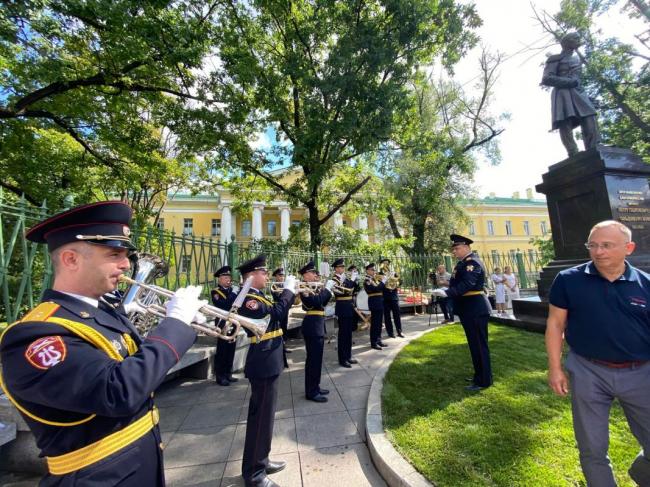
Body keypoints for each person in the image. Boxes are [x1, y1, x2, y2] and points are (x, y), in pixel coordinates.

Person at [0, 201, 206, 486]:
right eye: (114, 254)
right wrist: (176, 324)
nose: (126, 264)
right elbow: (118, 390)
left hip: (138, 464)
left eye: (126, 255)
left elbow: (137, 366)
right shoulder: (37, 335)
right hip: (95, 477)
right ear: (71, 259)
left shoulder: (102, 312)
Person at [545, 220, 650, 487]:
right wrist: (555, 368)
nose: (598, 252)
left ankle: (642, 472)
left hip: (641, 373)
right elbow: (555, 324)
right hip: (588, 370)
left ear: (629, 248)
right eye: (593, 245)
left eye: (606, 245)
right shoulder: (568, 280)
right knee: (592, 448)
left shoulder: (646, 284)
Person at [236, 254, 297, 487]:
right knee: (260, 419)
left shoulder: (259, 295)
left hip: (269, 359)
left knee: (266, 417)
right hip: (262, 361)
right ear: (251, 275)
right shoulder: (248, 298)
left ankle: (262, 459)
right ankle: (254, 474)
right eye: (263, 272)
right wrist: (288, 292)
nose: (267, 275)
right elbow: (275, 316)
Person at [432, 234, 492, 391]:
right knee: (474, 345)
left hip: (475, 308)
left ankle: (484, 380)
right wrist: (446, 289)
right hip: (469, 308)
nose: (455, 252)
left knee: (479, 345)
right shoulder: (462, 264)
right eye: (453, 249)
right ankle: (479, 375)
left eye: (457, 248)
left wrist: (447, 293)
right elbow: (455, 283)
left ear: (466, 247)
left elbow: (468, 284)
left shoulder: (472, 263)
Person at [541, 31, 600, 157]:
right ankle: (572, 151)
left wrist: (587, 97)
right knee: (565, 122)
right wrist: (568, 82)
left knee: (590, 116)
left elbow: (577, 80)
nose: (579, 40)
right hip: (562, 93)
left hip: (579, 92)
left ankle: (594, 147)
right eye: (575, 38)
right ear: (567, 42)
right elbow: (546, 78)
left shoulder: (576, 59)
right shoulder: (555, 59)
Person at [298, 261, 335, 401]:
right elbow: (315, 302)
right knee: (313, 361)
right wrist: (327, 290)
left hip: (317, 325)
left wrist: (326, 291)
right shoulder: (303, 287)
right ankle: (311, 392)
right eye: (312, 273)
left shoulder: (313, 286)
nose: (315, 275)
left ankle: (316, 387)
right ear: (305, 275)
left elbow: (322, 303)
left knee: (317, 360)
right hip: (312, 326)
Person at [211, 265, 239, 386]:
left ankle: (228, 373)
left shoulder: (231, 290)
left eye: (229, 276)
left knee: (231, 349)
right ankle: (220, 376)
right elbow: (224, 305)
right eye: (226, 277)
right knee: (222, 350)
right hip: (222, 323)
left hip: (233, 322)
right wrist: (233, 294)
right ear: (220, 279)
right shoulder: (216, 292)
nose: (228, 279)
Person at [331, 258, 359, 368]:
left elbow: (353, 288)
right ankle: (342, 359)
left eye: (343, 267)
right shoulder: (334, 280)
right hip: (342, 308)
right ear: (336, 268)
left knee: (348, 334)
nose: (343, 269)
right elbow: (344, 291)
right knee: (343, 335)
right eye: (341, 267)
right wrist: (351, 280)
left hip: (349, 307)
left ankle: (348, 356)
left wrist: (354, 280)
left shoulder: (344, 278)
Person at [364, 263, 388, 351]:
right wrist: (383, 282)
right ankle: (373, 342)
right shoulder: (367, 280)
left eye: (374, 270)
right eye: (372, 270)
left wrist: (385, 282)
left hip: (379, 301)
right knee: (374, 324)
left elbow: (382, 288)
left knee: (379, 323)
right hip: (374, 302)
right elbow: (376, 289)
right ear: (367, 271)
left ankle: (378, 340)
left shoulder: (374, 279)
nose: (374, 271)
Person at [270, 267, 290, 368]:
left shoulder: (284, 285)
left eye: (283, 275)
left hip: (285, 309)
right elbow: (278, 297)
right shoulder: (274, 285)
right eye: (280, 275)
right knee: (280, 327)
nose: (282, 277)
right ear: (276, 276)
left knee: (285, 327)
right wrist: (286, 292)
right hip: (278, 308)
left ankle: (284, 345)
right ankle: (280, 346)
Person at [380, 258, 404, 338]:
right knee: (387, 317)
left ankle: (399, 331)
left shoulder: (393, 273)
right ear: (381, 265)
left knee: (397, 315)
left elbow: (400, 281)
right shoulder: (379, 274)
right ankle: (390, 333)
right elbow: (379, 285)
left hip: (394, 297)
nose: (386, 265)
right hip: (385, 297)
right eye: (384, 263)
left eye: (387, 263)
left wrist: (396, 283)